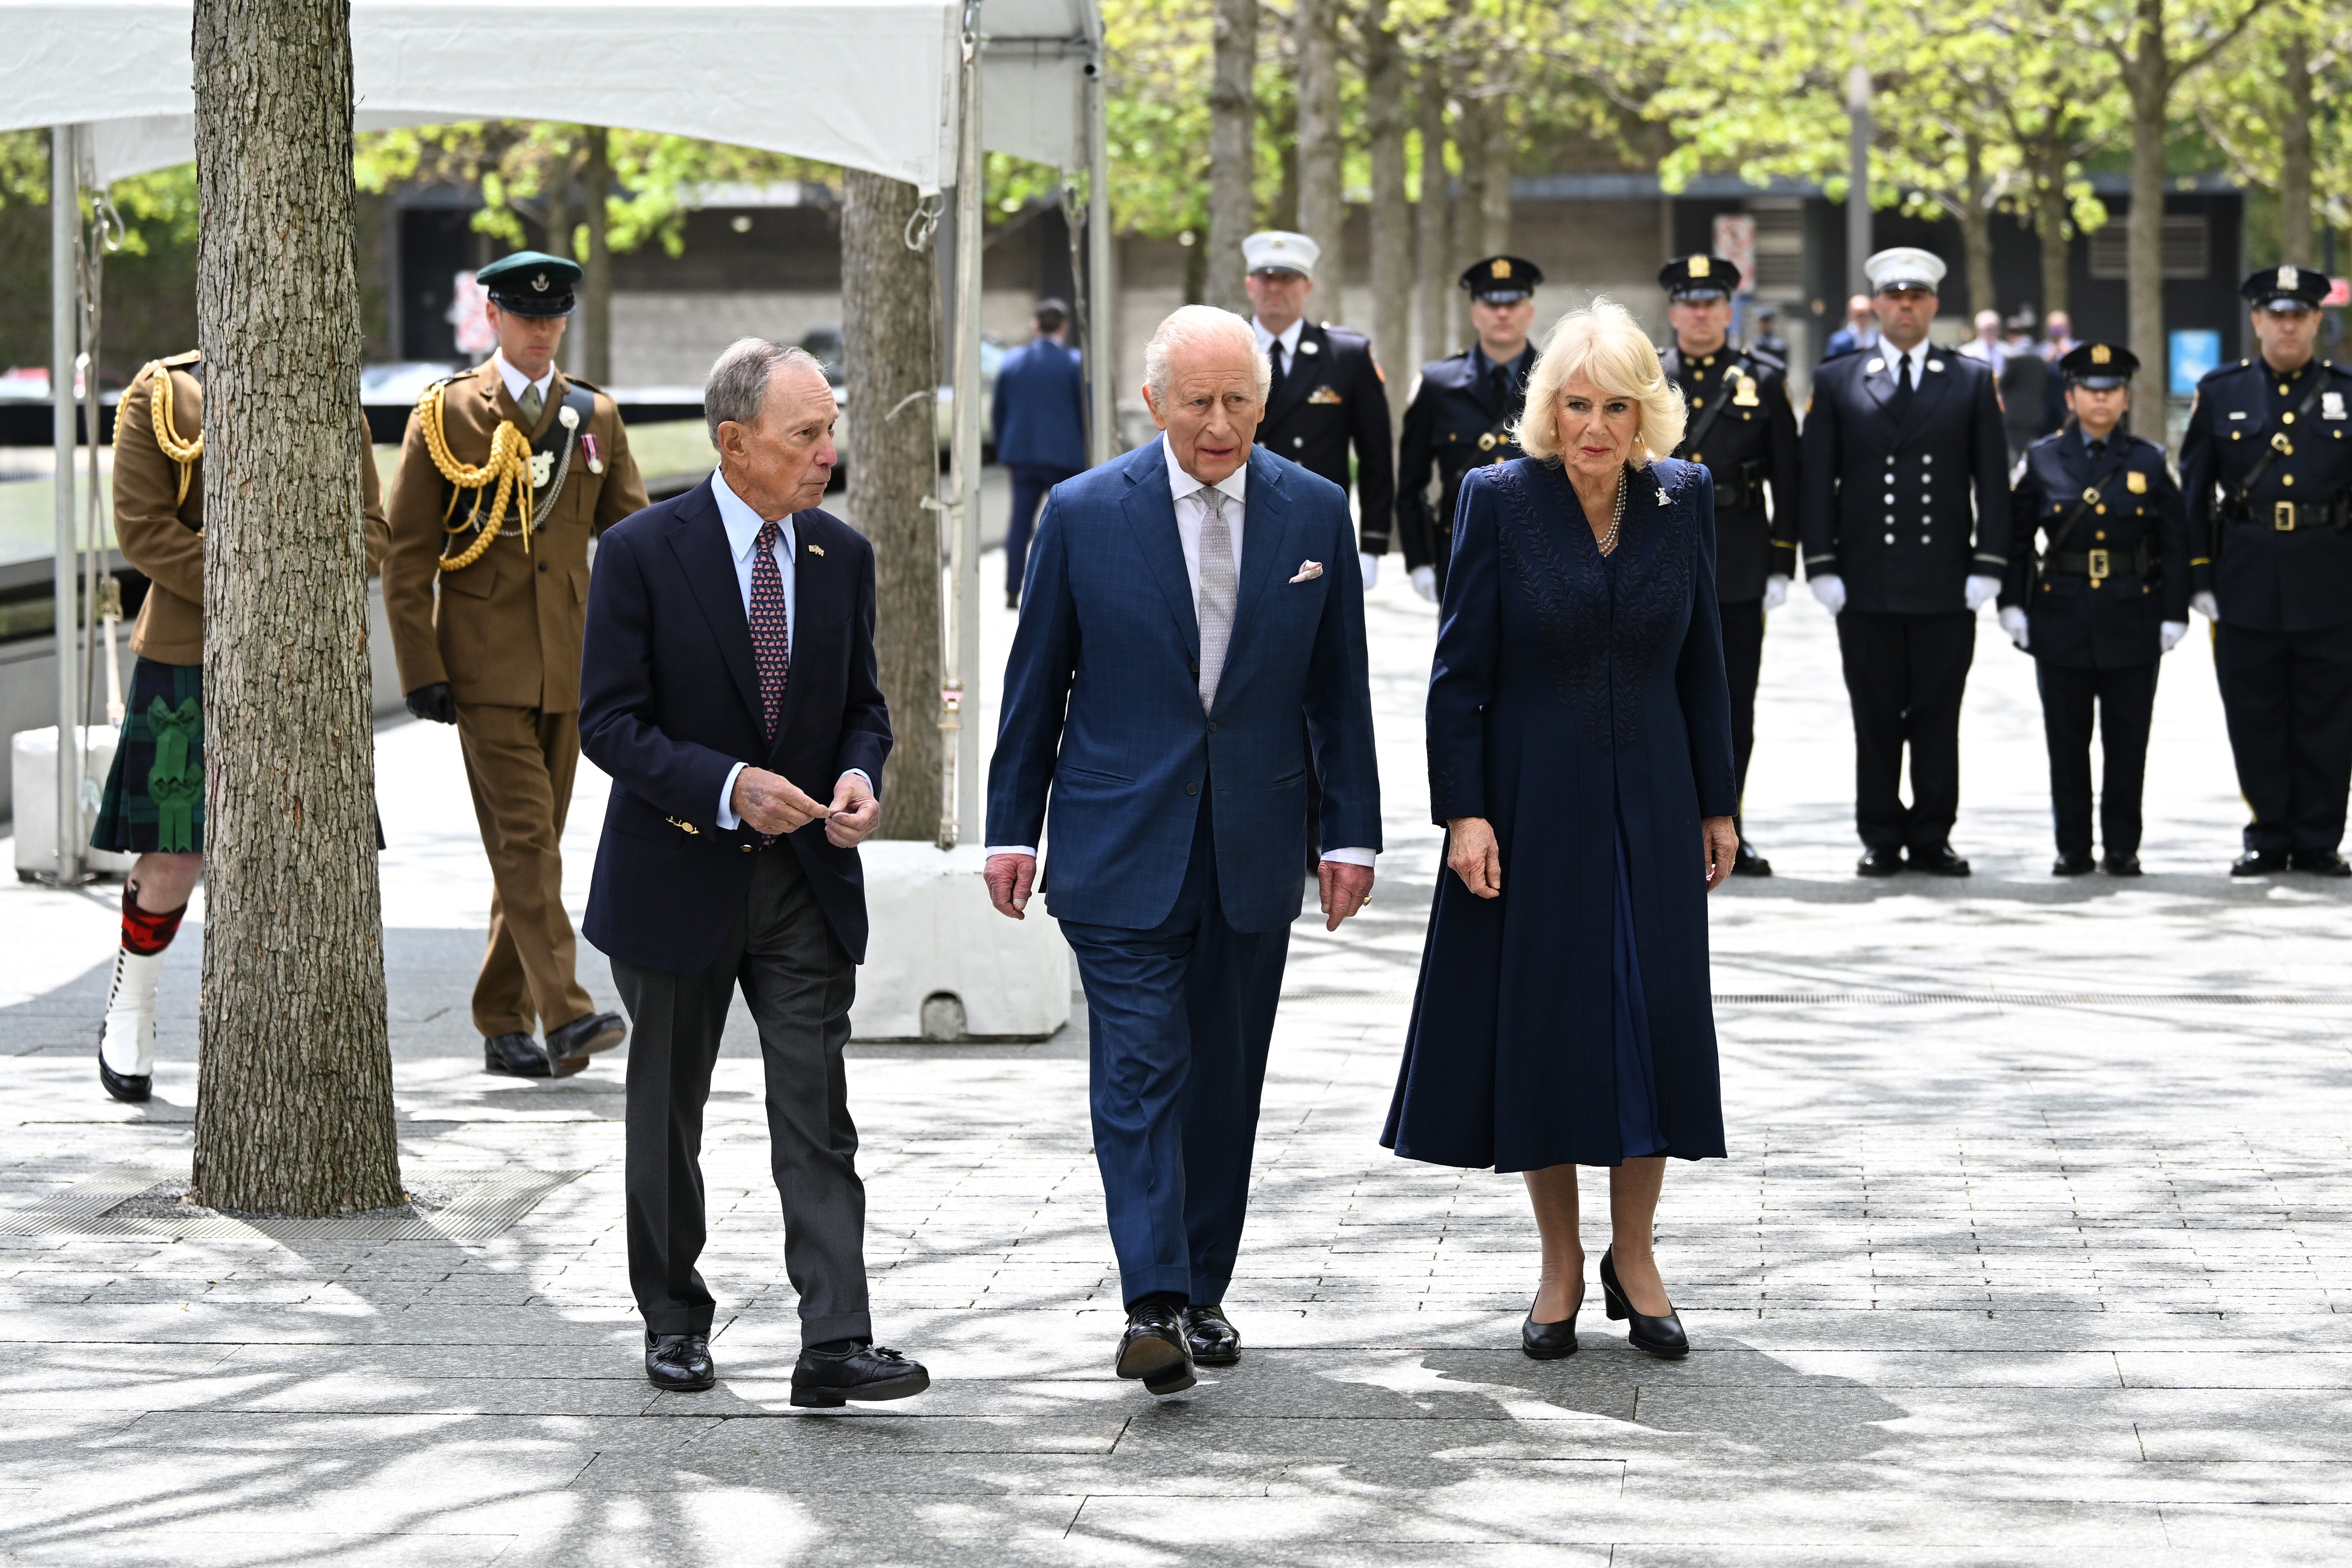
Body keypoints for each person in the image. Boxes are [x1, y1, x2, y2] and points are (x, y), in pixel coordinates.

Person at [982, 305, 1380, 1398]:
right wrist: (1012, 827)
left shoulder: (1315, 510)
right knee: (1140, 1066)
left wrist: (1350, 834)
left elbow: (1338, 690)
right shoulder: (1081, 511)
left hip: (1256, 843)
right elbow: (1034, 686)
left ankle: (1203, 1287)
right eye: (1198, 401)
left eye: (1239, 400)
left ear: (1265, 401)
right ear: (1153, 401)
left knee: (1224, 1083)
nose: (1219, 423)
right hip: (1118, 841)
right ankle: (1153, 1299)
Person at [1383, 299, 1737, 1363]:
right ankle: (1559, 1265)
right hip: (1532, 800)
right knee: (1545, 1029)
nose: (1595, 426)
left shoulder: (1683, 495)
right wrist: (1465, 812)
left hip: (1657, 797)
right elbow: (1458, 673)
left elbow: (1706, 662)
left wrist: (1718, 802)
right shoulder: (1499, 498)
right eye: (1577, 404)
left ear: (1646, 415)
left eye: (1617, 407)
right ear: (1548, 409)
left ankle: (1637, 1255)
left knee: (1650, 1023)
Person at [577, 338, 928, 1406]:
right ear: (734, 443)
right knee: (666, 1113)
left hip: (805, 881)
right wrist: (728, 783)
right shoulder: (641, 552)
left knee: (816, 1111)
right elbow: (608, 723)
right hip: (675, 875)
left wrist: (860, 773)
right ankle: (674, 1318)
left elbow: (862, 706)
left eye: (830, 431)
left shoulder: (842, 555)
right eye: (805, 435)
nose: (828, 453)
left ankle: (836, 1341)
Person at [90, 350, 389, 1104]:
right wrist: (255, 587)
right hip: (190, 650)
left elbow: (373, 528)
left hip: (304, 656)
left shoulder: (324, 381)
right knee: (175, 854)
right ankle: (132, 1005)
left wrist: (299, 593)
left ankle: (297, 1037)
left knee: (308, 848)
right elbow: (143, 530)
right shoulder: (164, 395)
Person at [384, 251, 646, 1079]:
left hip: (572, 667)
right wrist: (420, 666)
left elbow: (632, 545)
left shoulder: (594, 415)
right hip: (483, 667)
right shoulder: (446, 415)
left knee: (526, 847)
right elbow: (406, 556)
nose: (543, 331)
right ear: (493, 316)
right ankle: (566, 1015)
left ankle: (502, 1021)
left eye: (554, 317)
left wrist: (647, 657)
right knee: (529, 840)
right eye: (528, 317)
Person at [1799, 247, 2011, 876]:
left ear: (1934, 305)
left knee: (1938, 716)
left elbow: (1992, 480)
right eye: (1894, 297)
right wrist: (1822, 564)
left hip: (1945, 580)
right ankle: (1881, 834)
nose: (1905, 307)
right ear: (1877, 305)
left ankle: (1932, 835)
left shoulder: (1969, 379)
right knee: (1874, 716)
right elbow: (1818, 481)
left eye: (1916, 297)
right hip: (1865, 580)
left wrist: (1989, 563)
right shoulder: (1839, 379)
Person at [2182, 264, 2352, 876]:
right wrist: (2199, 575)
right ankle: (2268, 834)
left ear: (2316, 321)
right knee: (2254, 714)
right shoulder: (2221, 391)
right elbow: (2194, 493)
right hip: (2245, 579)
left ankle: (2319, 839)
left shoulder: (2346, 392)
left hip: (2331, 578)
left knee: (2329, 717)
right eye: (2276, 315)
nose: (2288, 326)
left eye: (2299, 315)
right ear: (2256, 321)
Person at [1997, 343, 2191, 876]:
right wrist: (2012, 604)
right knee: (2067, 742)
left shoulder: (2149, 460)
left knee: (2128, 741)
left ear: (2126, 398)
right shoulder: (2043, 458)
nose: (2100, 400)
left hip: (2133, 615)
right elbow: (2017, 539)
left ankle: (2123, 847)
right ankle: (2073, 847)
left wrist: (2175, 611)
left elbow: (2175, 542)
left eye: (2111, 391)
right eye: (2090, 390)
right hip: (2061, 615)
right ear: (2071, 397)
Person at [1657, 254, 1801, 876]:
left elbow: (1789, 477)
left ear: (1728, 310)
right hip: (1658, 559)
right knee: (1659, 697)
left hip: (1737, 562)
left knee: (1733, 703)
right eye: (1689, 303)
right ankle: (1665, 827)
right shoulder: (1646, 375)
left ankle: (1727, 829)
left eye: (1712, 303)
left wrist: (1782, 561)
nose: (1700, 314)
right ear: (1673, 312)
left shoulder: (1762, 378)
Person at [1242, 230, 1395, 585]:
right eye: (1265, 278)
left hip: (1314, 520)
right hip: (1241, 515)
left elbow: (1375, 453)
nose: (1274, 288)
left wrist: (1372, 542)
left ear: (1308, 286)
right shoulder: (1225, 352)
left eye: (1287, 278)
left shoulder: (1346, 355)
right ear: (1250, 285)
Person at [1397, 255, 1544, 601]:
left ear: (1530, 312)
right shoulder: (1437, 384)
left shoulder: (1557, 382)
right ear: (1475, 313)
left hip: (1543, 557)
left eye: (1513, 304)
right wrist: (1419, 560)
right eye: (1491, 304)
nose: (1502, 314)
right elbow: (1411, 483)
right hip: (1460, 556)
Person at [991, 298, 1087, 609]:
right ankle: (1069, 592)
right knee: (1069, 527)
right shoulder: (1075, 363)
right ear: (1064, 327)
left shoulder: (1012, 361)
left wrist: (1005, 452)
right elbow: (1086, 412)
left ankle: (1011, 590)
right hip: (1066, 457)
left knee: (1020, 522)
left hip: (1022, 455)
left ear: (1035, 326)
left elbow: (999, 411)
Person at [1822, 295, 1878, 361]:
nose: (1862, 318)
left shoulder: (1879, 338)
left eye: (1866, 314)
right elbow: (1831, 364)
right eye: (1859, 315)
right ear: (1850, 314)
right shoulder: (1839, 342)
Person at [1748, 303, 1790, 367]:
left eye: (1766, 322)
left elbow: (1782, 365)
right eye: (1760, 322)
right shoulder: (1753, 344)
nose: (1762, 325)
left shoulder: (1779, 344)